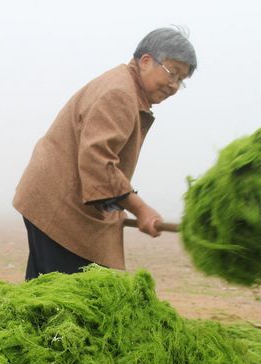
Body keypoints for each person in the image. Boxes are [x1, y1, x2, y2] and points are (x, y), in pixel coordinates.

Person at [13, 27, 197, 280]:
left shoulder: (125, 87)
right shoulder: (119, 93)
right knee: (63, 300)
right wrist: (141, 209)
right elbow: (98, 162)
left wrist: (122, 207)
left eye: (181, 80)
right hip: (60, 207)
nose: (174, 85)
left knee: (46, 293)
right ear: (145, 61)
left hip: (56, 200)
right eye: (172, 73)